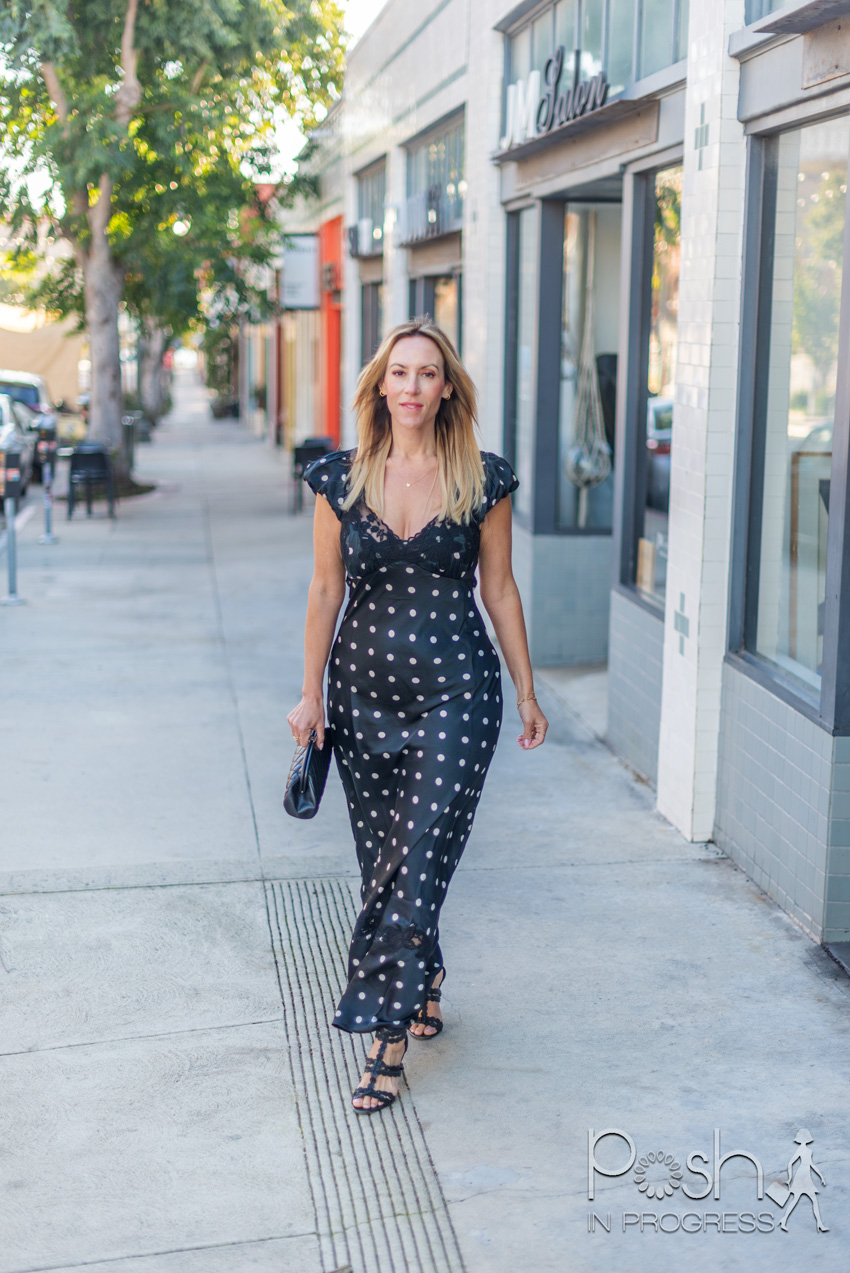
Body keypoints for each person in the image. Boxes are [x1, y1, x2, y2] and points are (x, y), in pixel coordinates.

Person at [288, 318, 548, 1114]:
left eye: (427, 373)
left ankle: (387, 1034)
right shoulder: (342, 479)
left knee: (417, 850)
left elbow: (498, 588)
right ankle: (424, 970)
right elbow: (325, 589)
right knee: (388, 862)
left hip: (457, 696)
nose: (411, 386)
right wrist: (310, 693)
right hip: (361, 699)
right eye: (399, 372)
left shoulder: (482, 479)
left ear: (446, 389)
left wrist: (526, 689)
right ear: (379, 387)